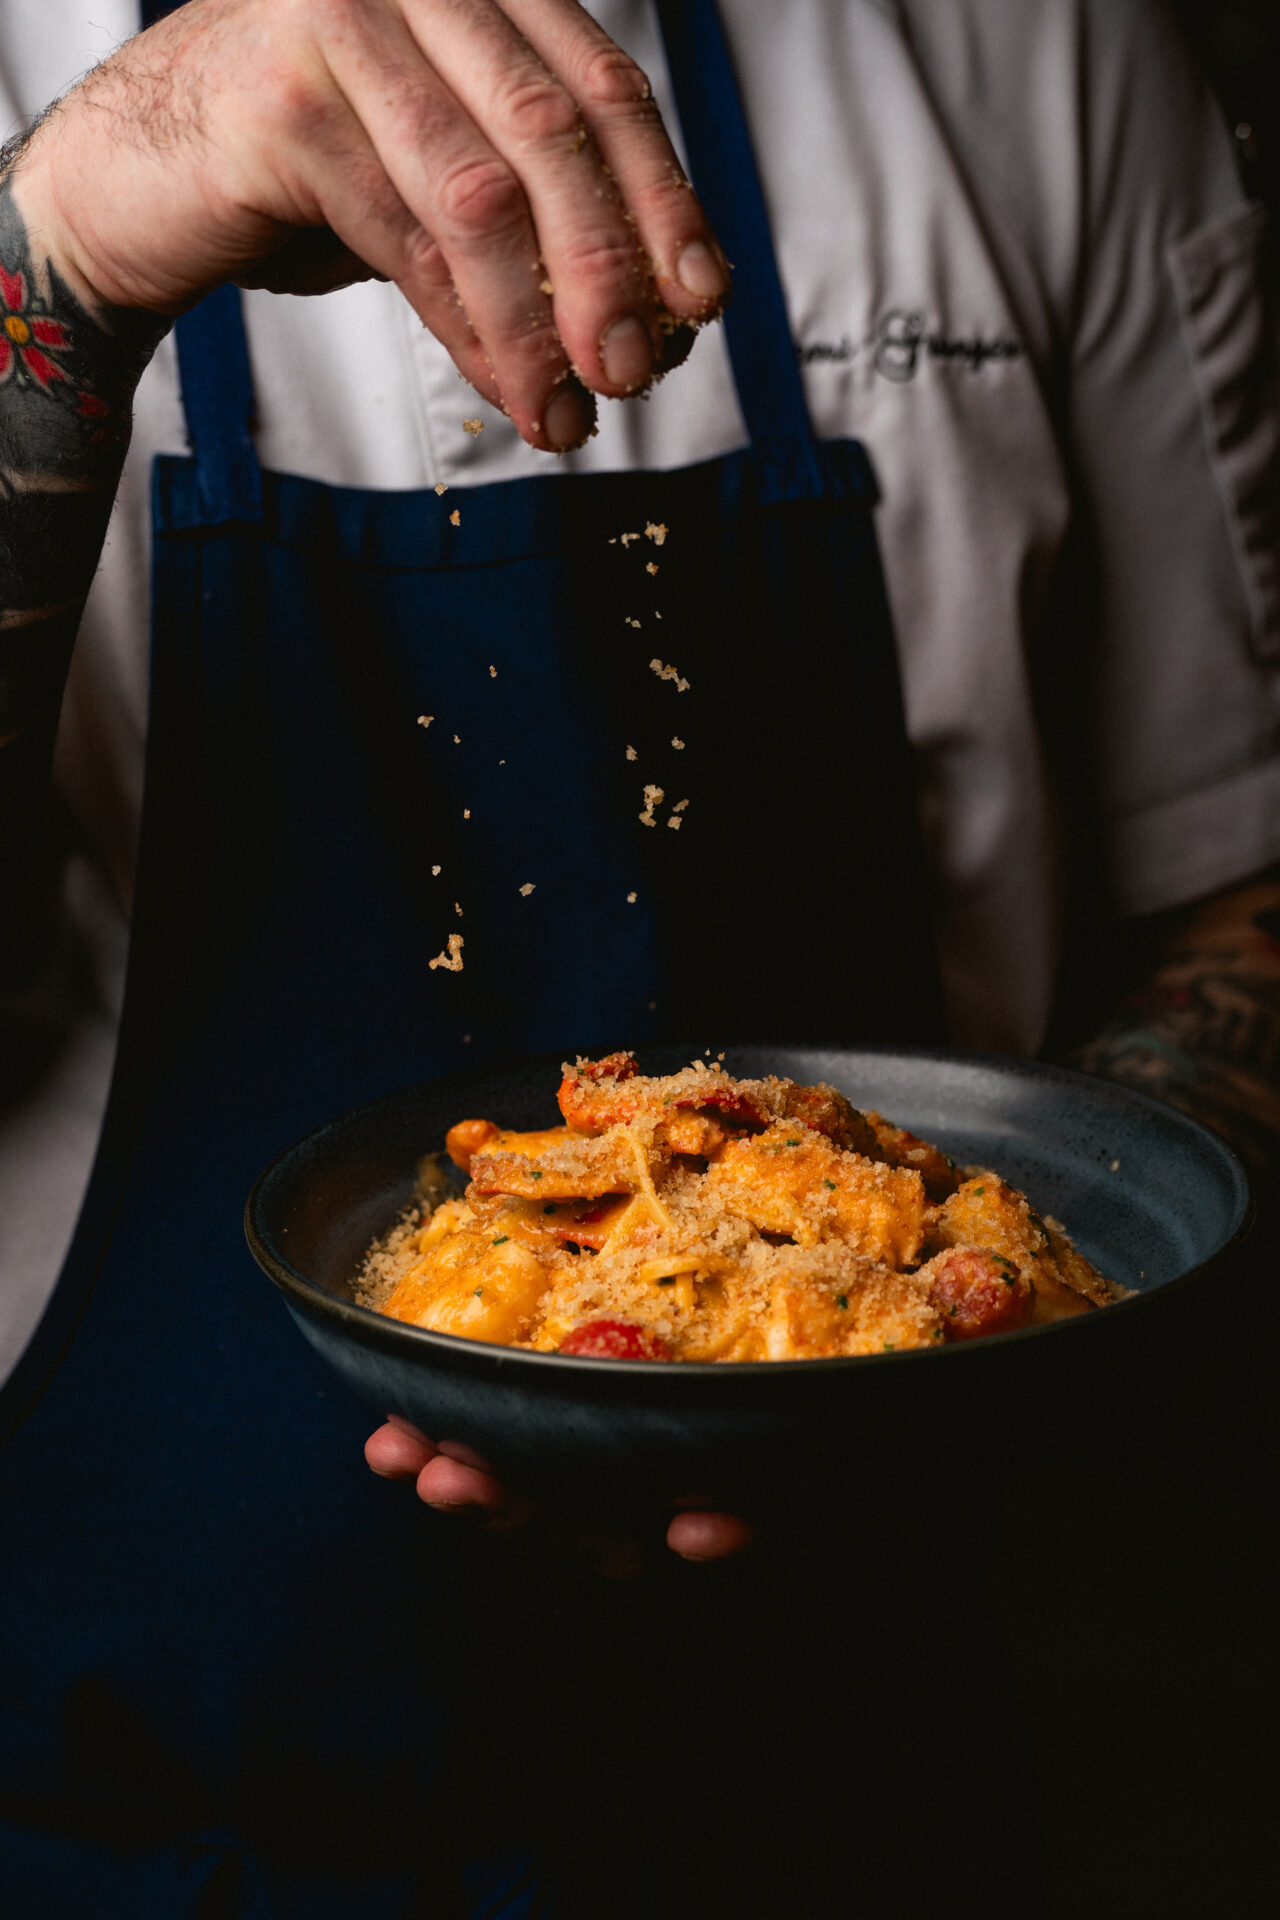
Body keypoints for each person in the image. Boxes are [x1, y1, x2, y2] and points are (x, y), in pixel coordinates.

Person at [1, 1, 1278, 1913]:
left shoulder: (1052, 51)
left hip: (871, 1787)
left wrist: (1010, 1302)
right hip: (123, 1792)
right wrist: (74, 246)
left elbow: (1233, 890)